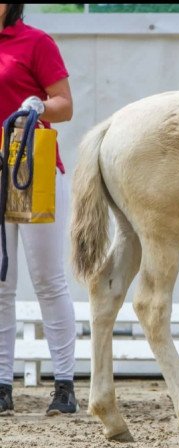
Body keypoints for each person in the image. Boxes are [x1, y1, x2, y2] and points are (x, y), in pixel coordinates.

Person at [0, 4, 78, 416]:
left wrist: (39, 106)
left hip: (35, 167)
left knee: (47, 279)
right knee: (0, 284)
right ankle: (1, 386)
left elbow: (65, 104)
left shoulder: (35, 42)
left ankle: (64, 384)